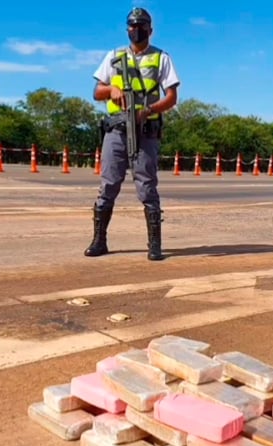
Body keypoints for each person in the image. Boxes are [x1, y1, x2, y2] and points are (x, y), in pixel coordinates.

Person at [85, 7, 180, 261]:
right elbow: (97, 91)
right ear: (127, 28)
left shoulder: (161, 58)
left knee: (147, 187)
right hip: (116, 129)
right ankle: (99, 240)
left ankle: (155, 244)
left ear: (150, 29)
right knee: (108, 184)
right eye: (132, 25)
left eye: (141, 25)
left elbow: (172, 97)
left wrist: (148, 110)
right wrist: (112, 89)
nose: (136, 30)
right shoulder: (114, 55)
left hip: (145, 130)